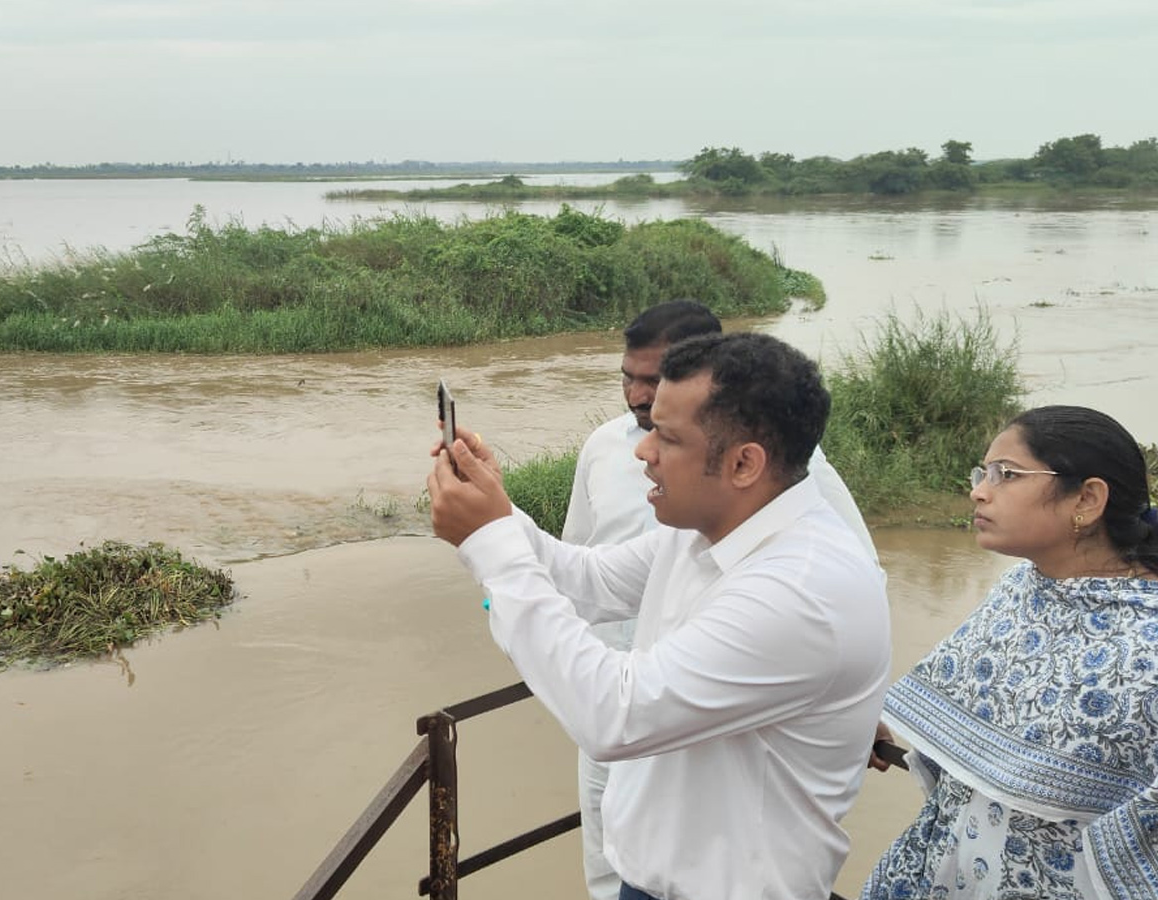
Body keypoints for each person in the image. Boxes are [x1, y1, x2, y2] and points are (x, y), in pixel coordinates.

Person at [429, 332, 891, 900]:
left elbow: (614, 715)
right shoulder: (711, 531)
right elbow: (586, 580)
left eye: (666, 437)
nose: (642, 452)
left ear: (745, 462)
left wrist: (490, 544)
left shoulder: (803, 590)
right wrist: (497, 508)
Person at [564, 300, 879, 900]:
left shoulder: (796, 494)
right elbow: (583, 563)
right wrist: (497, 542)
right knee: (611, 842)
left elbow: (850, 596)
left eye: (654, 384)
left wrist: (844, 702)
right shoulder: (609, 453)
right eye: (627, 378)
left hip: (695, 720)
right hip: (610, 689)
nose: (637, 402)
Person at [862, 405, 1158, 900]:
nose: (979, 489)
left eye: (1007, 474)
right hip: (946, 866)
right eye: (982, 473)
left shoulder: (1148, 635)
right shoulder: (1023, 587)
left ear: (1087, 498)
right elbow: (981, 720)